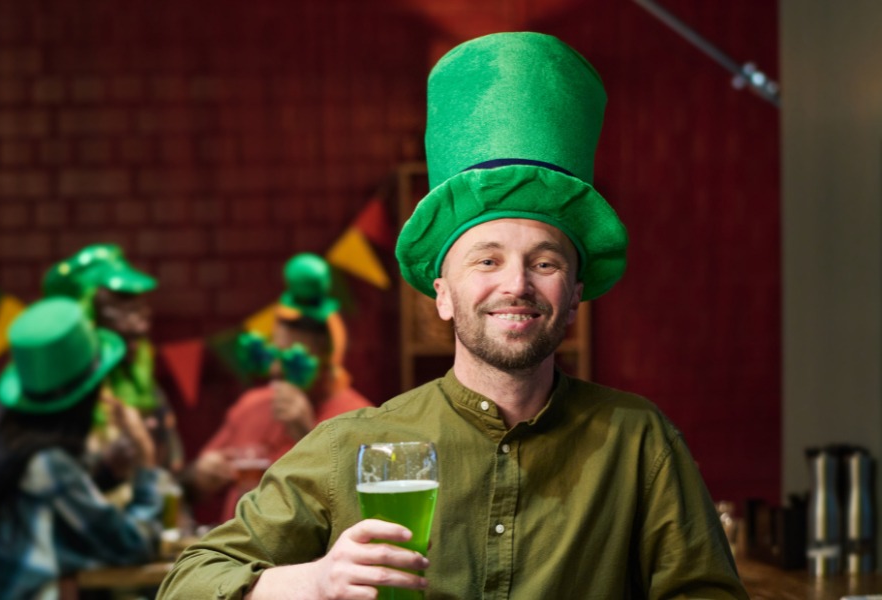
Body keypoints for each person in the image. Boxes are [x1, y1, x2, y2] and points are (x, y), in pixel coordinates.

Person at [159, 32, 748, 599]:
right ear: (442, 294)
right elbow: (187, 582)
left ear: (574, 294)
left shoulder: (639, 441)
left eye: (544, 263)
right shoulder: (355, 444)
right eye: (486, 260)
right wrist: (311, 583)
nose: (515, 285)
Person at [0, 297, 163, 600]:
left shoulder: (14, 442)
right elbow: (135, 546)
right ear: (85, 395)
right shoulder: (48, 464)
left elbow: (61, 528)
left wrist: (105, 473)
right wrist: (146, 460)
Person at [182, 253, 373, 524]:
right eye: (277, 350)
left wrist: (307, 435)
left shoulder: (360, 417)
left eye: (295, 357)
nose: (277, 369)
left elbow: (358, 511)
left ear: (326, 356)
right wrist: (198, 477)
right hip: (234, 556)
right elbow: (189, 490)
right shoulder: (251, 404)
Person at [43, 244, 186, 503]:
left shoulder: (147, 391)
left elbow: (170, 480)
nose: (139, 326)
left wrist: (196, 481)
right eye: (121, 310)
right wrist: (108, 467)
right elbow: (54, 493)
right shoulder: (56, 399)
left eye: (140, 310)